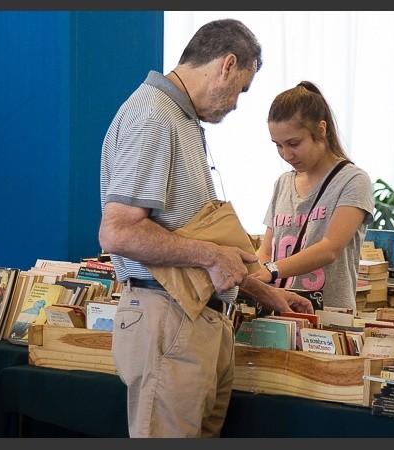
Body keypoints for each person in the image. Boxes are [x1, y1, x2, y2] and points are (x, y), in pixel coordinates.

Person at [98, 19, 314, 438]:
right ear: (226, 65)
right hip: (169, 316)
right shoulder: (154, 118)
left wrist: (262, 291)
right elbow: (117, 233)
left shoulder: (177, 117)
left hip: (193, 319)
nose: (235, 104)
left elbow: (189, 234)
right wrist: (211, 255)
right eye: (241, 89)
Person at [250, 81, 374, 312]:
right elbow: (266, 250)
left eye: (294, 143)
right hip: (279, 312)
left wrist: (272, 270)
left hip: (328, 317)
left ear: (321, 130)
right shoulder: (283, 183)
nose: (286, 154)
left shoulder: (353, 180)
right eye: (278, 145)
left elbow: (330, 248)